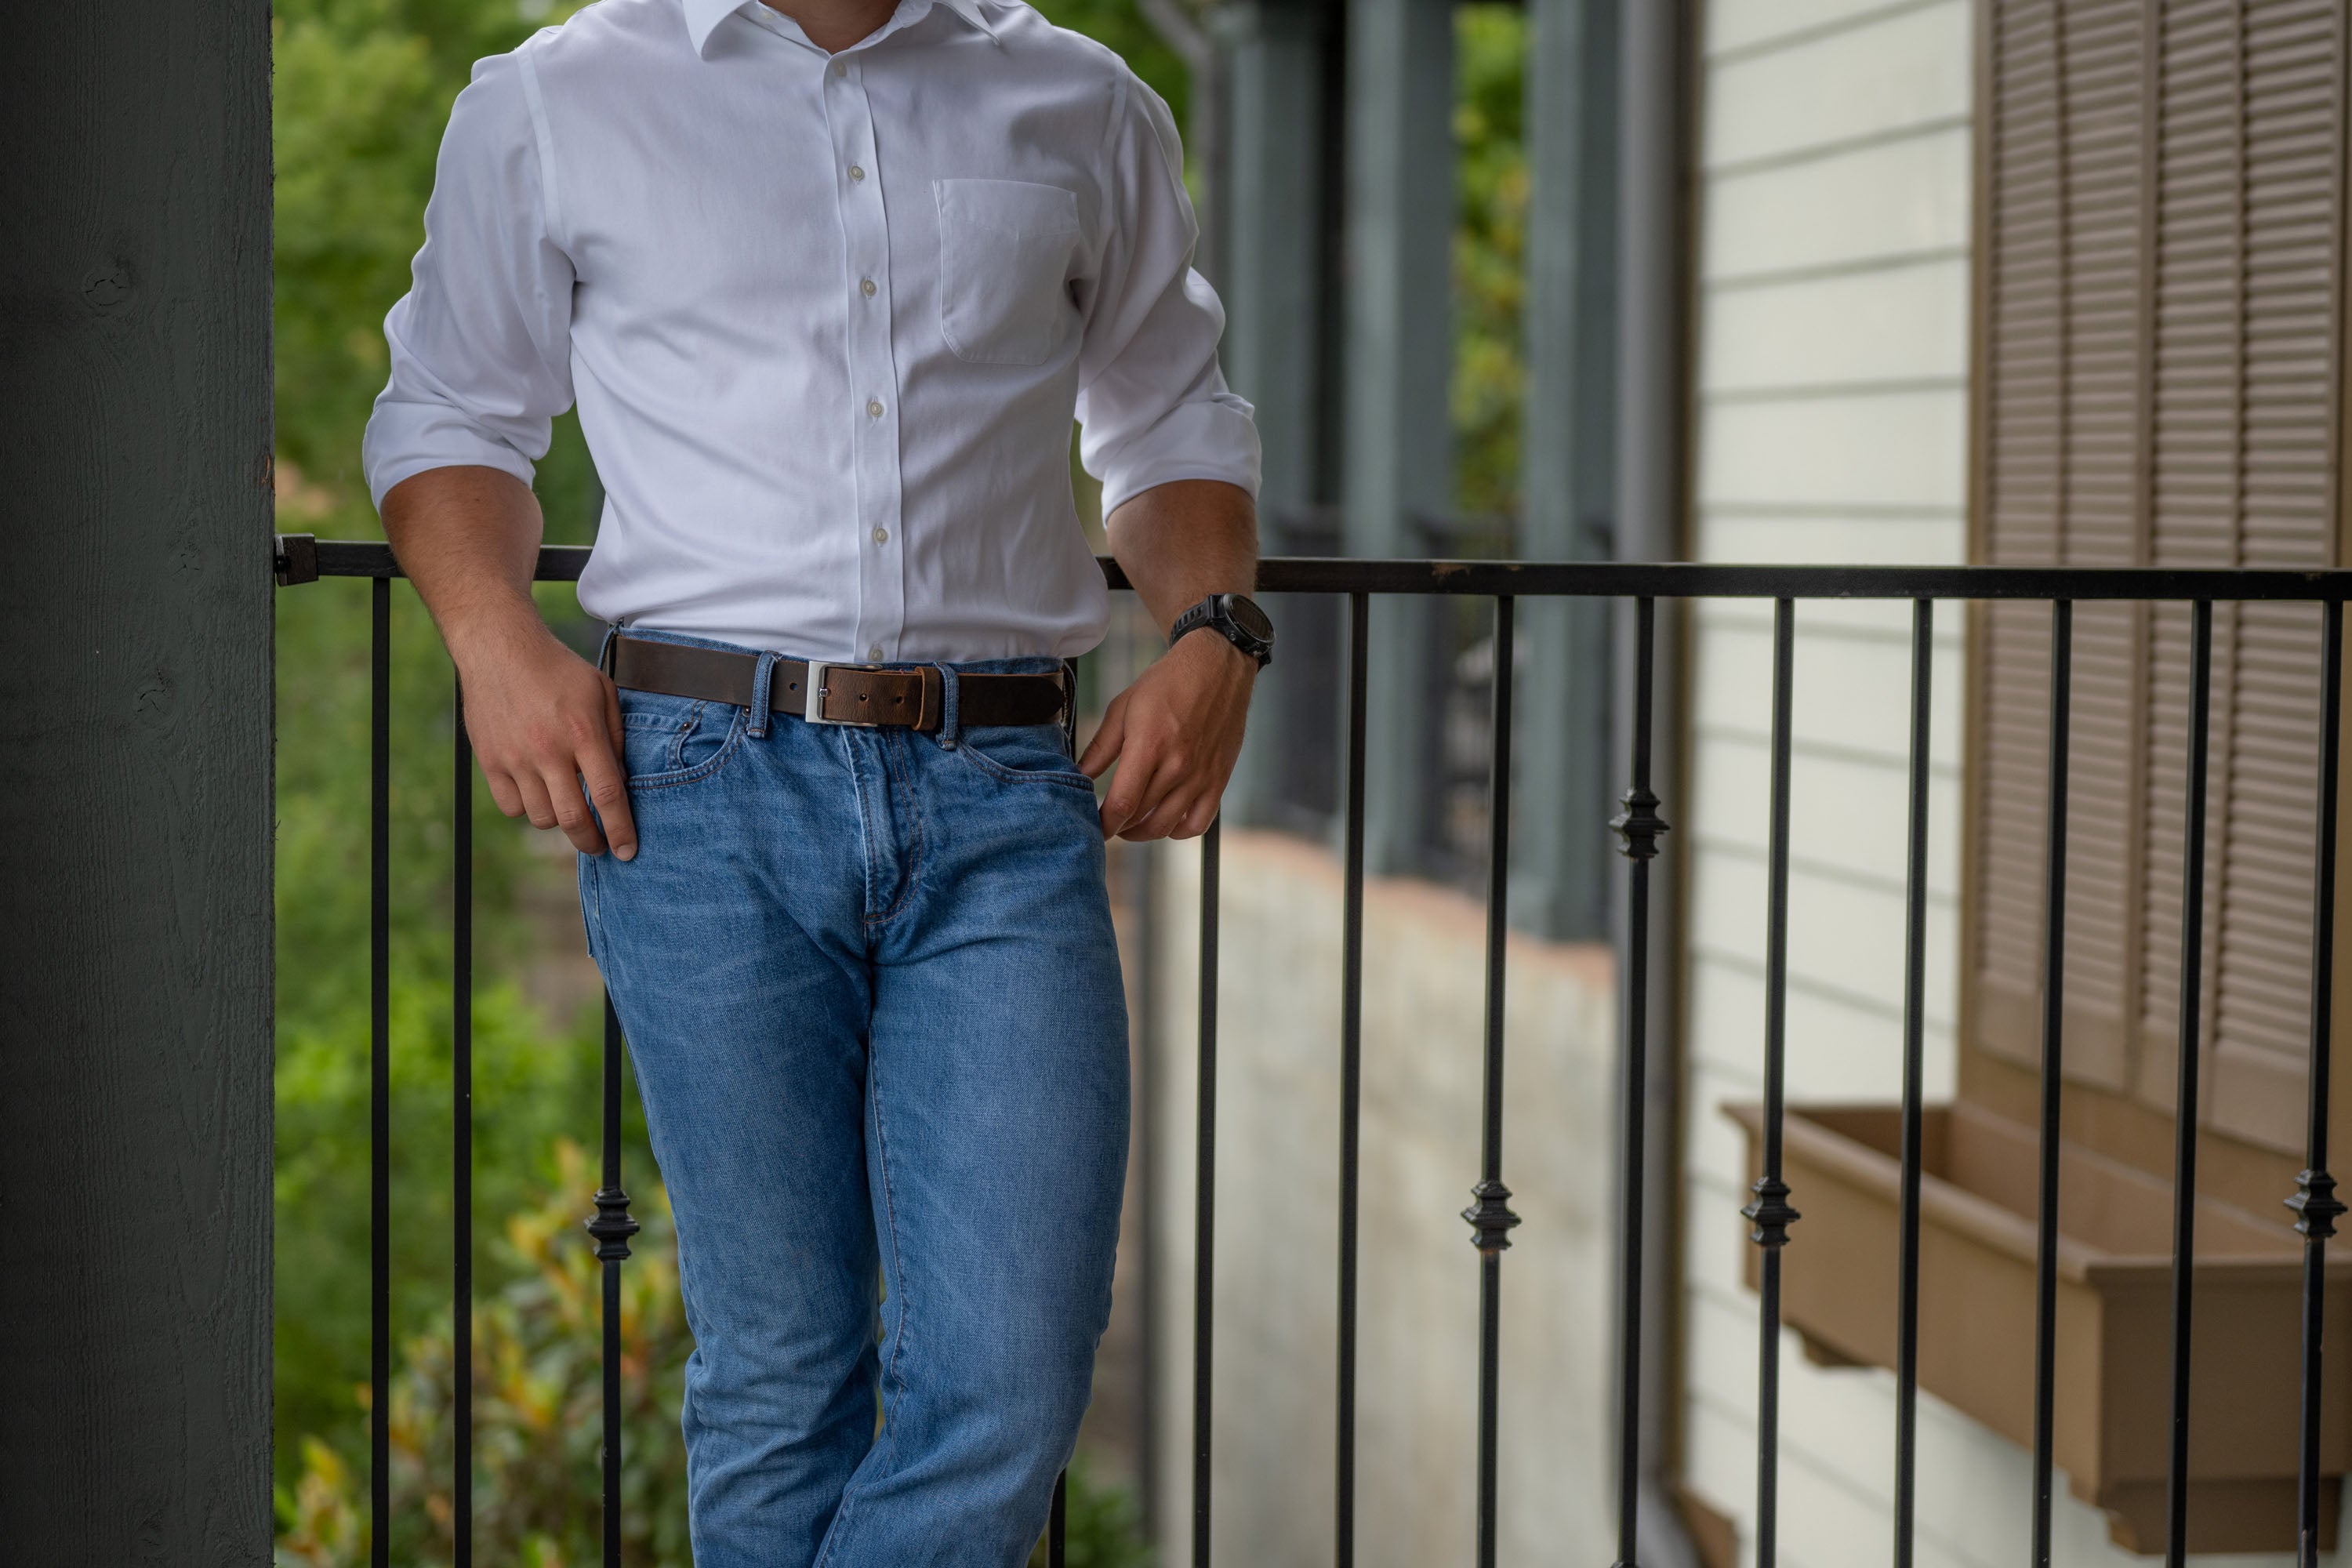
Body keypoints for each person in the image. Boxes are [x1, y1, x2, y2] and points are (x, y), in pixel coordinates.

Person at [361, 0, 1273, 1561]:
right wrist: (493, 641)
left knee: (1011, 1374)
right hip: (699, 784)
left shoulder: (1080, 97)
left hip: (1003, 792)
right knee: (784, 1373)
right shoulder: (554, 98)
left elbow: (1170, 415)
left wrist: (1217, 633)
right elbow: (449, 410)